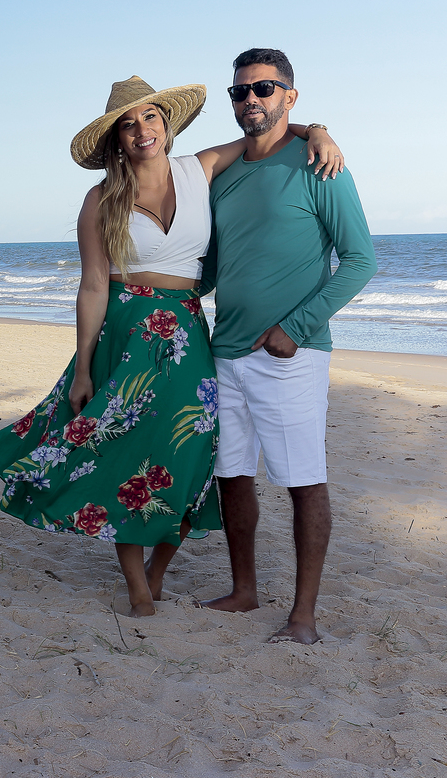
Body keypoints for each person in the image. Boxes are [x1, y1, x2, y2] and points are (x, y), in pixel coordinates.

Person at [0, 75, 344, 617]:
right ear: (116, 140)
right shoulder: (101, 199)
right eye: (127, 124)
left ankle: (158, 570)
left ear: (167, 126)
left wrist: (320, 131)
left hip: (187, 334)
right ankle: (137, 588)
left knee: (189, 456)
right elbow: (93, 286)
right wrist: (84, 369)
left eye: (150, 117)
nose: (141, 129)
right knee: (122, 451)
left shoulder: (201, 168)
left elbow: (266, 130)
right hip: (127, 332)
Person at [200, 49, 376, 644]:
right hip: (224, 352)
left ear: (289, 97)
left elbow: (360, 261)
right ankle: (244, 590)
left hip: (291, 356)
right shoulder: (224, 177)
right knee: (231, 475)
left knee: (303, 479)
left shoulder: (320, 164)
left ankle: (303, 616)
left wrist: (296, 328)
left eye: (265, 88)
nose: (251, 98)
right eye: (240, 91)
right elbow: (215, 268)